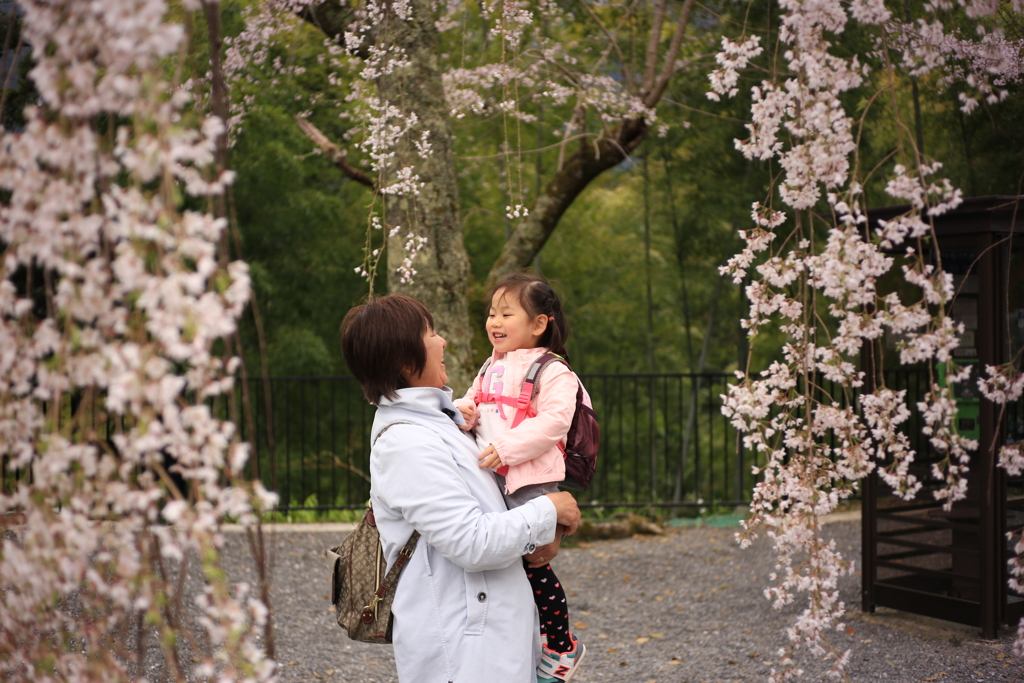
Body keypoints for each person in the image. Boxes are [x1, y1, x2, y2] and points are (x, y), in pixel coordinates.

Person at [340, 293, 581, 683]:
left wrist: (542, 532)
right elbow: (472, 542)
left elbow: (497, 508)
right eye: (430, 333)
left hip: (491, 641)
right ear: (405, 361)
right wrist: (550, 510)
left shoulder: (442, 422)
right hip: (464, 653)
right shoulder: (407, 443)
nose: (443, 341)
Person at [454, 272, 590, 683]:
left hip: (531, 481)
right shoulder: (490, 365)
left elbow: (554, 423)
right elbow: (473, 398)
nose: (494, 321)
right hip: (496, 479)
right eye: (492, 313)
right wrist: (464, 410)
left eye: (506, 313)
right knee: (505, 563)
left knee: (533, 564)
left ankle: (561, 646)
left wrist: (508, 448)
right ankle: (516, 643)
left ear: (538, 323)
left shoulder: (555, 372)